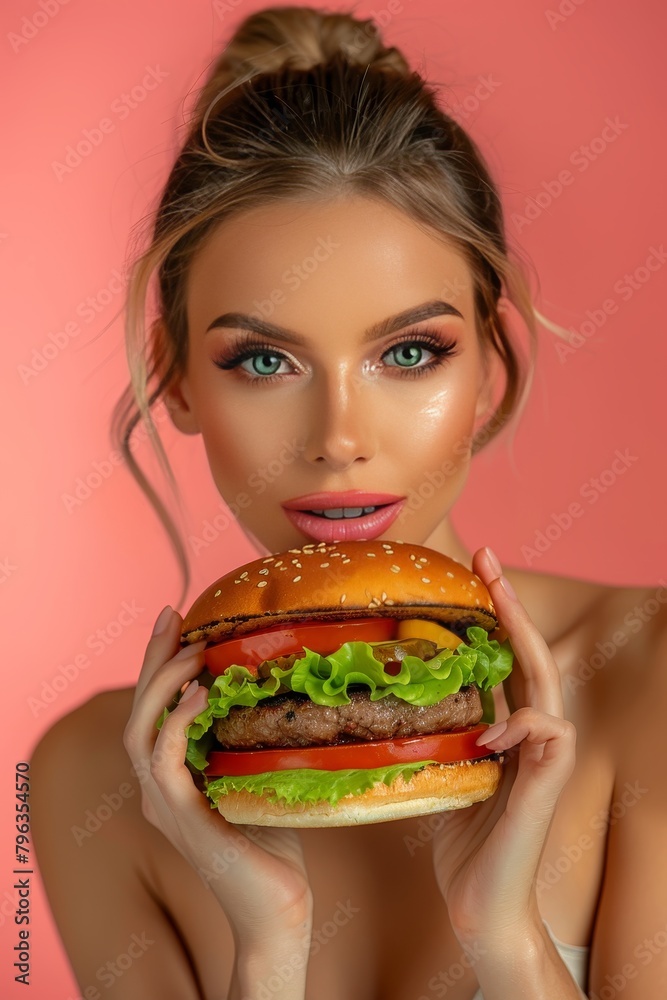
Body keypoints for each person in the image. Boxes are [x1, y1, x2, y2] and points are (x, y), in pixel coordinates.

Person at [30, 6, 666, 999]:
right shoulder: (92, 780)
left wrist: (504, 938)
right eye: (264, 360)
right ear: (180, 381)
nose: (338, 435)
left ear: (490, 367)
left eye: (408, 352)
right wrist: (270, 944)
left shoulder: (649, 677)